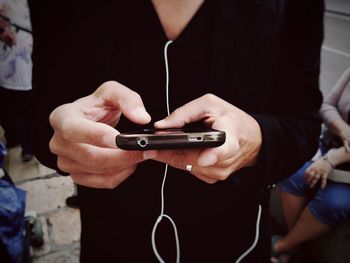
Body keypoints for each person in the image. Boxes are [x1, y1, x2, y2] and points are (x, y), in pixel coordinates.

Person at [27, 0, 324, 262]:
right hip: (112, 238)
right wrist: (63, 138)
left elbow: (304, 125)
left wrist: (257, 139)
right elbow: (42, 124)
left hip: (236, 241)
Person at [271, 66, 350, 263]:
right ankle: (296, 244)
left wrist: (331, 160)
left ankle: (283, 246)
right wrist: (344, 130)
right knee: (294, 176)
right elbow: (326, 105)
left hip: (340, 159)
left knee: (334, 202)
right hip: (333, 140)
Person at [0, 0, 33, 162]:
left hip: (23, 63)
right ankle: (28, 146)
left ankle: (28, 146)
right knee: (19, 109)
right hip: (13, 67)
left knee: (20, 110)